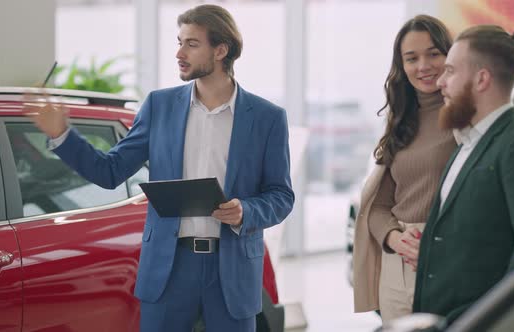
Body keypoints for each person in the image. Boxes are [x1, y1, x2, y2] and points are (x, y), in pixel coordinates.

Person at [25, 4, 294, 332]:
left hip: (233, 268)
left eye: (192, 44)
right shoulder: (159, 106)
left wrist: (246, 210)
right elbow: (110, 171)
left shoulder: (267, 118)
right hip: (170, 267)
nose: (179, 52)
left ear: (221, 50)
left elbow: (281, 195)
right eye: (179, 41)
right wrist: (62, 135)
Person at [413, 24, 514, 324]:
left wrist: (484, 318)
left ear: (481, 79)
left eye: (450, 71)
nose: (440, 82)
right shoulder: (467, 144)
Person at [352, 15, 456, 322]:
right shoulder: (401, 120)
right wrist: (394, 239)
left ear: (452, 56)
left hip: (448, 258)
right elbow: (379, 206)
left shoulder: (467, 118)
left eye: (434, 54)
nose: (423, 66)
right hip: (397, 263)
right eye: (412, 58)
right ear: (402, 65)